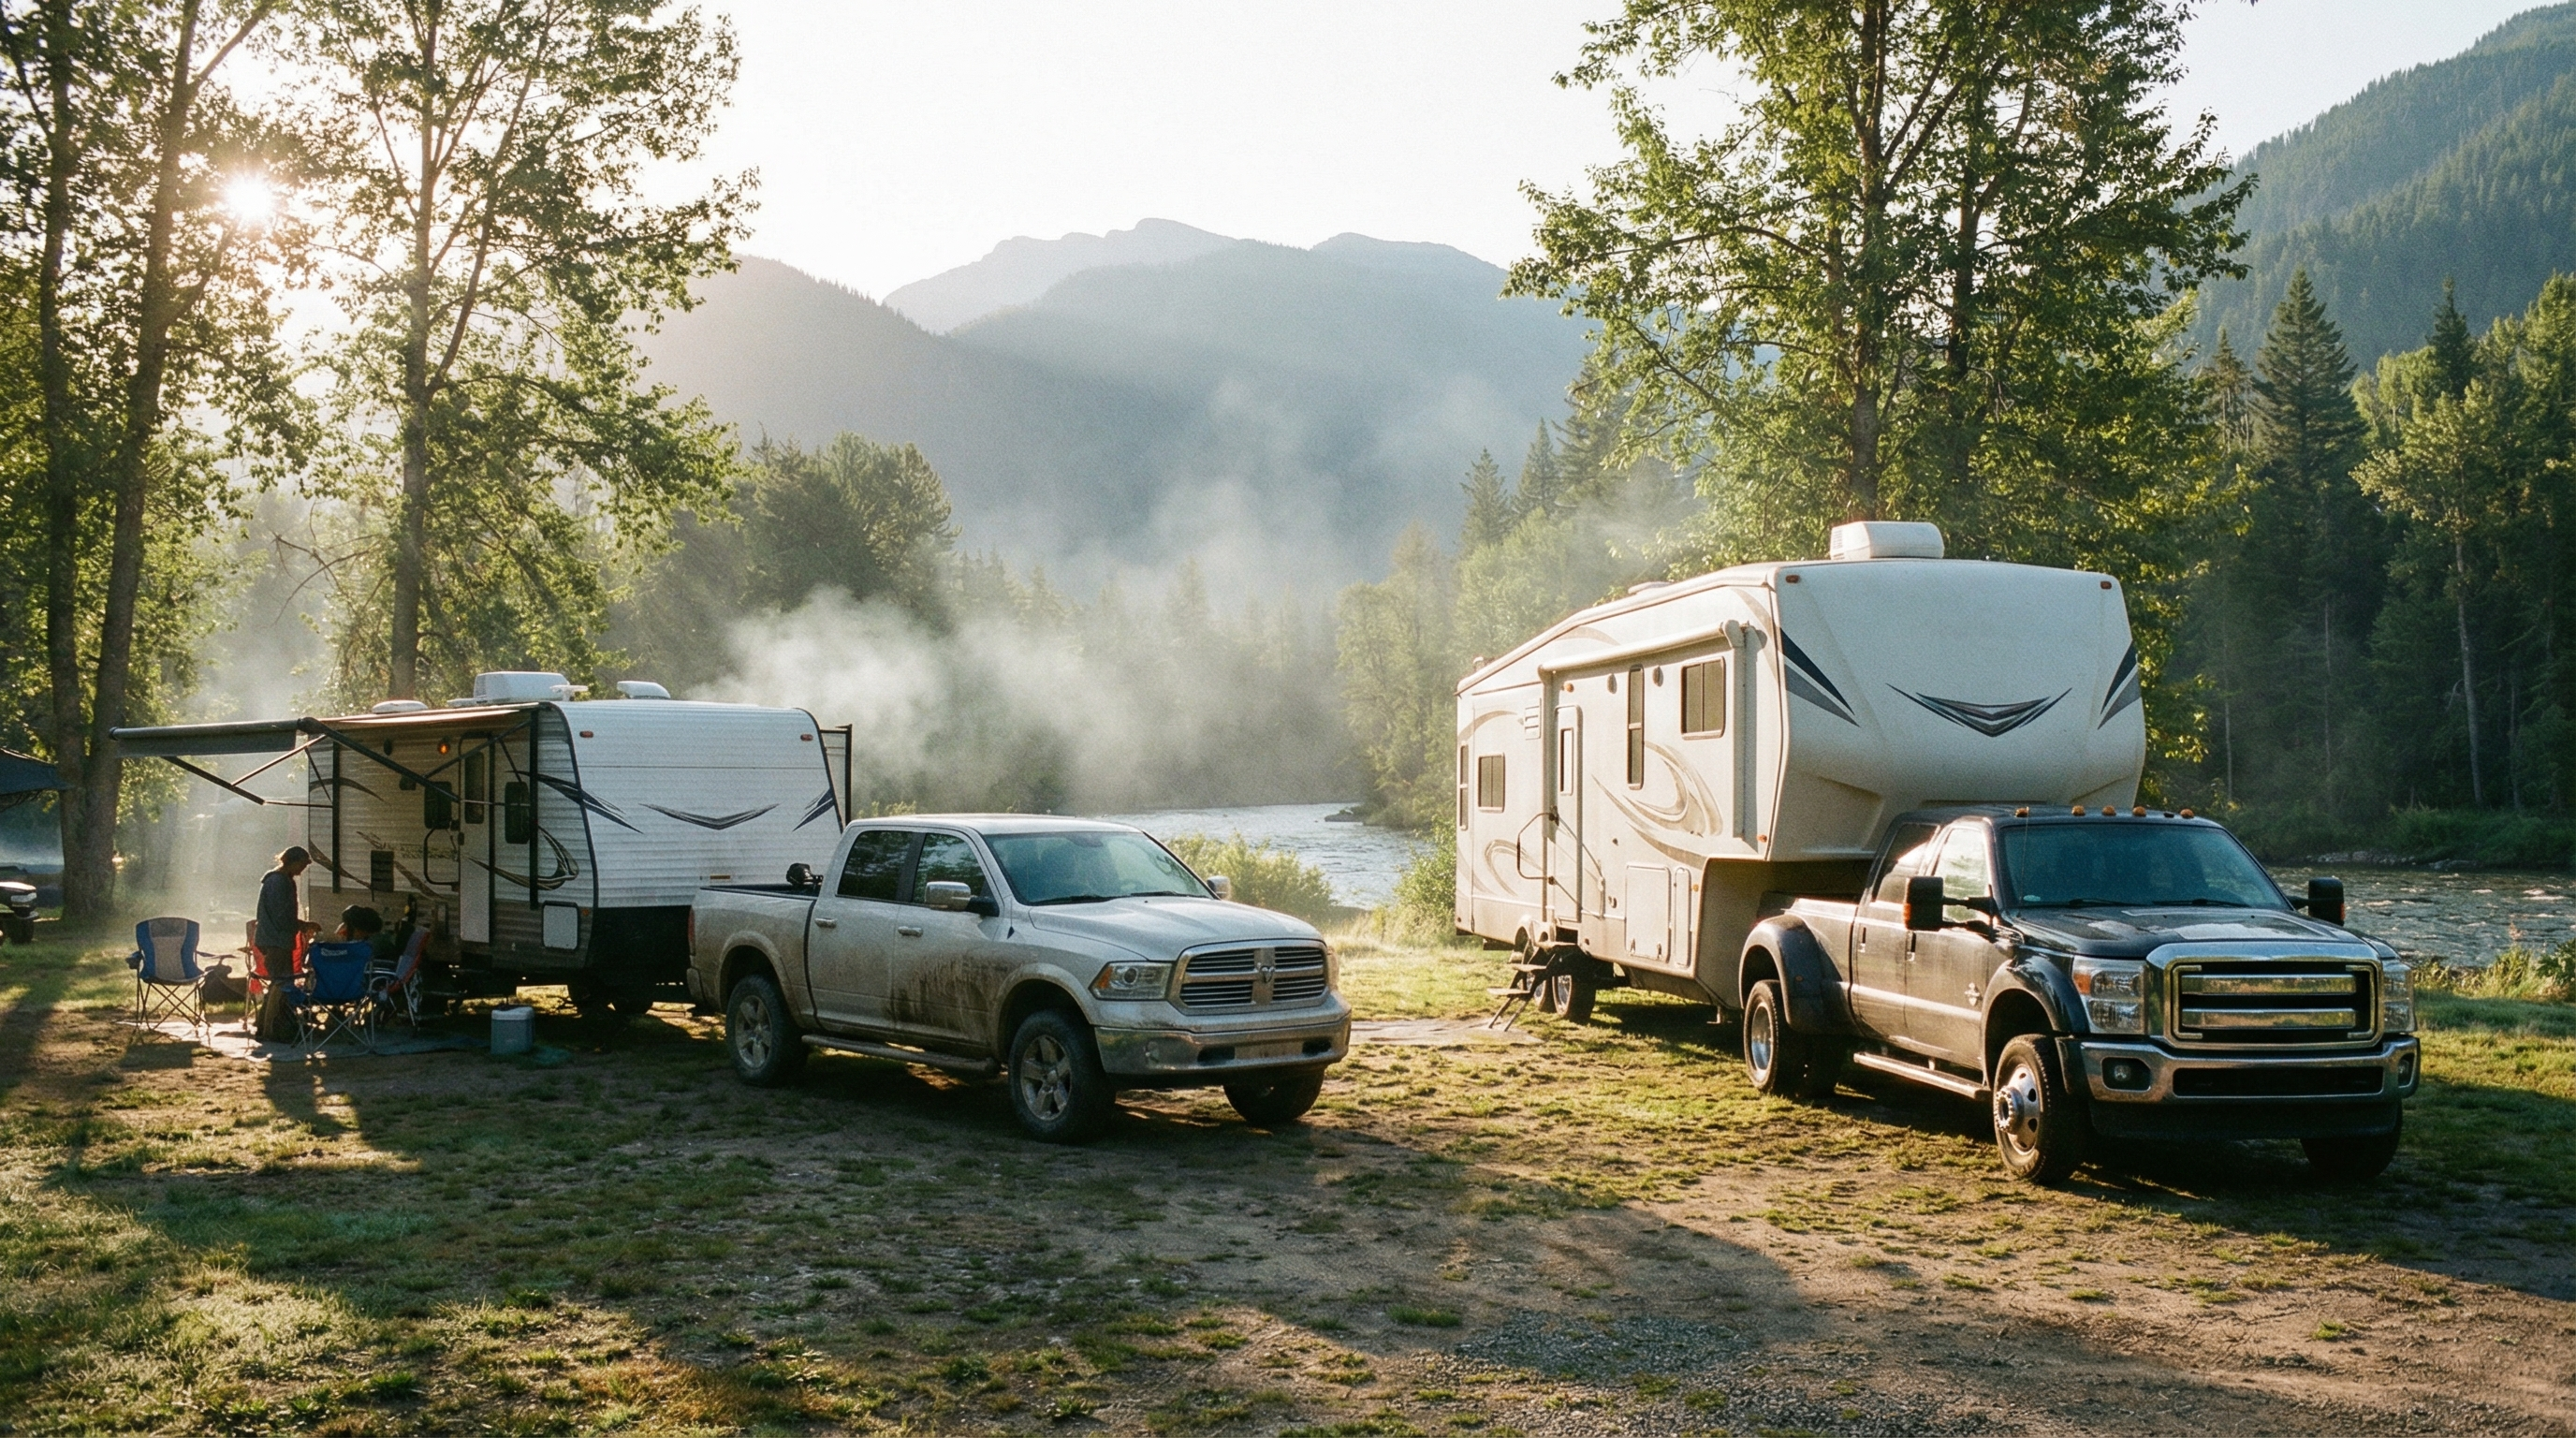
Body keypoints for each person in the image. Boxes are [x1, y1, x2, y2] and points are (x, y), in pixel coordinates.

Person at [251, 847, 317, 1040]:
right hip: (276, 941)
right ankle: (271, 1029)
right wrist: (302, 926)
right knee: (281, 985)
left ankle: (269, 1025)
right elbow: (282, 917)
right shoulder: (279, 883)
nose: (303, 869)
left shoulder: (280, 880)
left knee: (279, 983)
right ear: (292, 862)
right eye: (302, 864)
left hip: (275, 939)